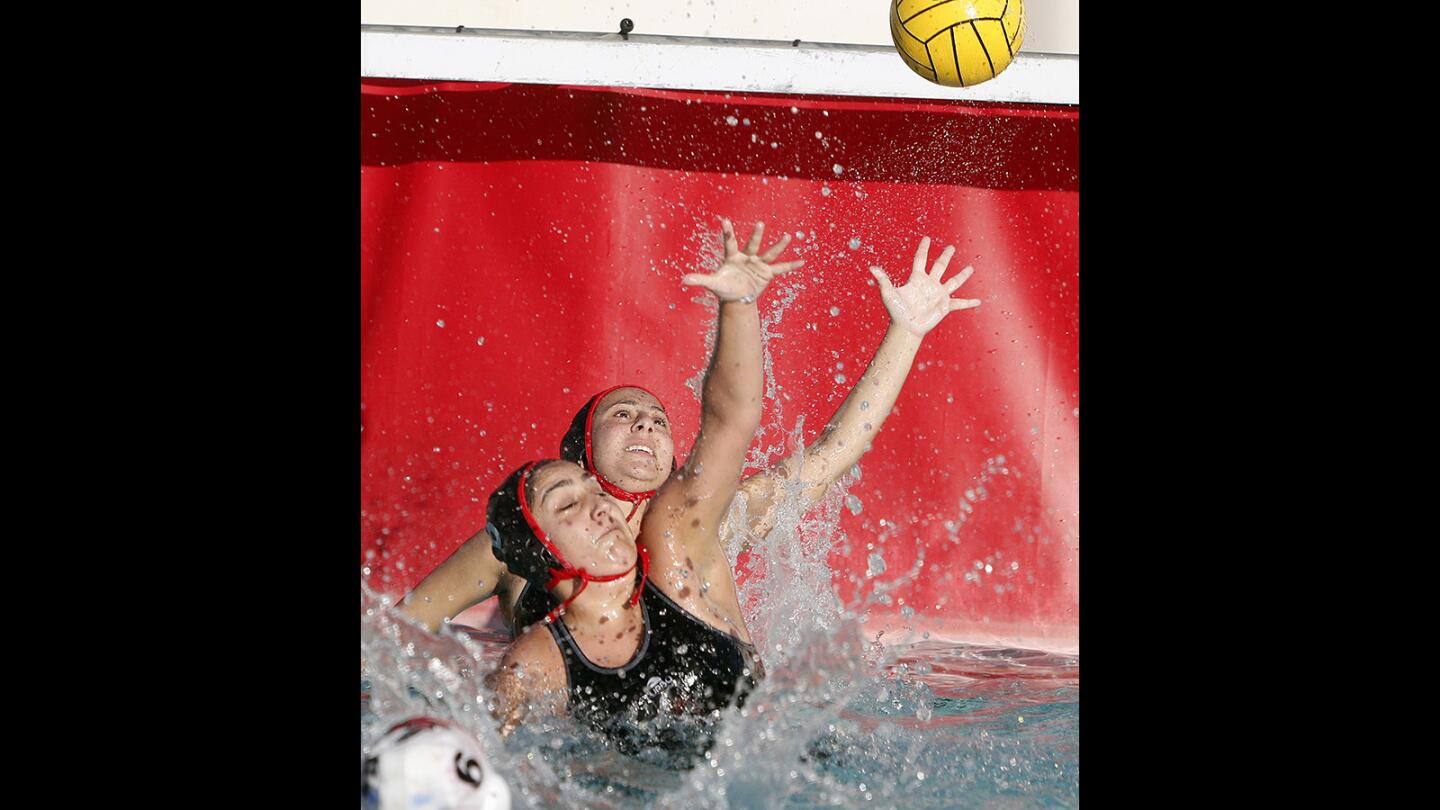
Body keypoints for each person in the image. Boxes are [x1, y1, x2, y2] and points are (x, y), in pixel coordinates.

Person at [401, 225, 979, 634]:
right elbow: (405, 628)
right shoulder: (519, 540)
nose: (646, 425)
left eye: (657, 420)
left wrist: (907, 332)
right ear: (578, 455)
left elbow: (831, 456)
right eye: (622, 414)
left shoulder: (710, 519)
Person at [482, 225, 789, 748]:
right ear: (542, 547)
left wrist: (739, 305)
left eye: (590, 490)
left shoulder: (674, 555)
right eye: (568, 504)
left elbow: (731, 422)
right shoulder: (538, 663)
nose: (599, 507)